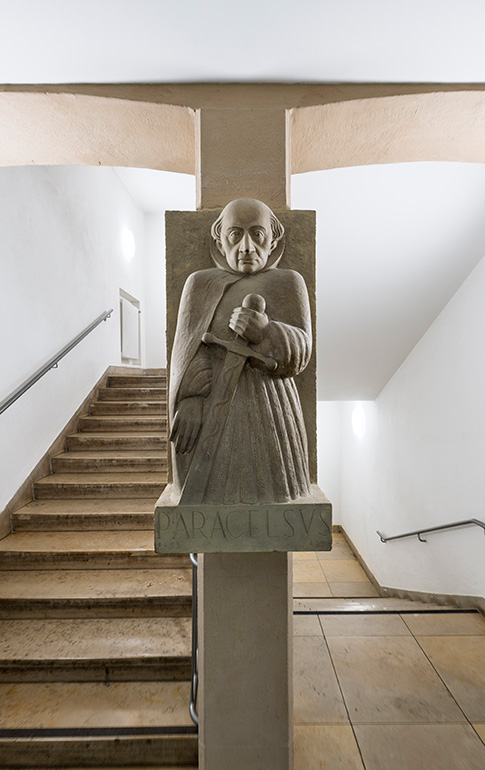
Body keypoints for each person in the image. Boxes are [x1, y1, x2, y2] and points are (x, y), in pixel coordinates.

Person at [169, 198, 312, 504]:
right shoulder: (199, 283)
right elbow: (189, 349)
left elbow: (303, 350)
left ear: (273, 241)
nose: (247, 247)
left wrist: (266, 333)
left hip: (271, 407)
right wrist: (191, 397)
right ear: (220, 243)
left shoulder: (288, 281)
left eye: (257, 234)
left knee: (272, 493)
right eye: (235, 235)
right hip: (214, 406)